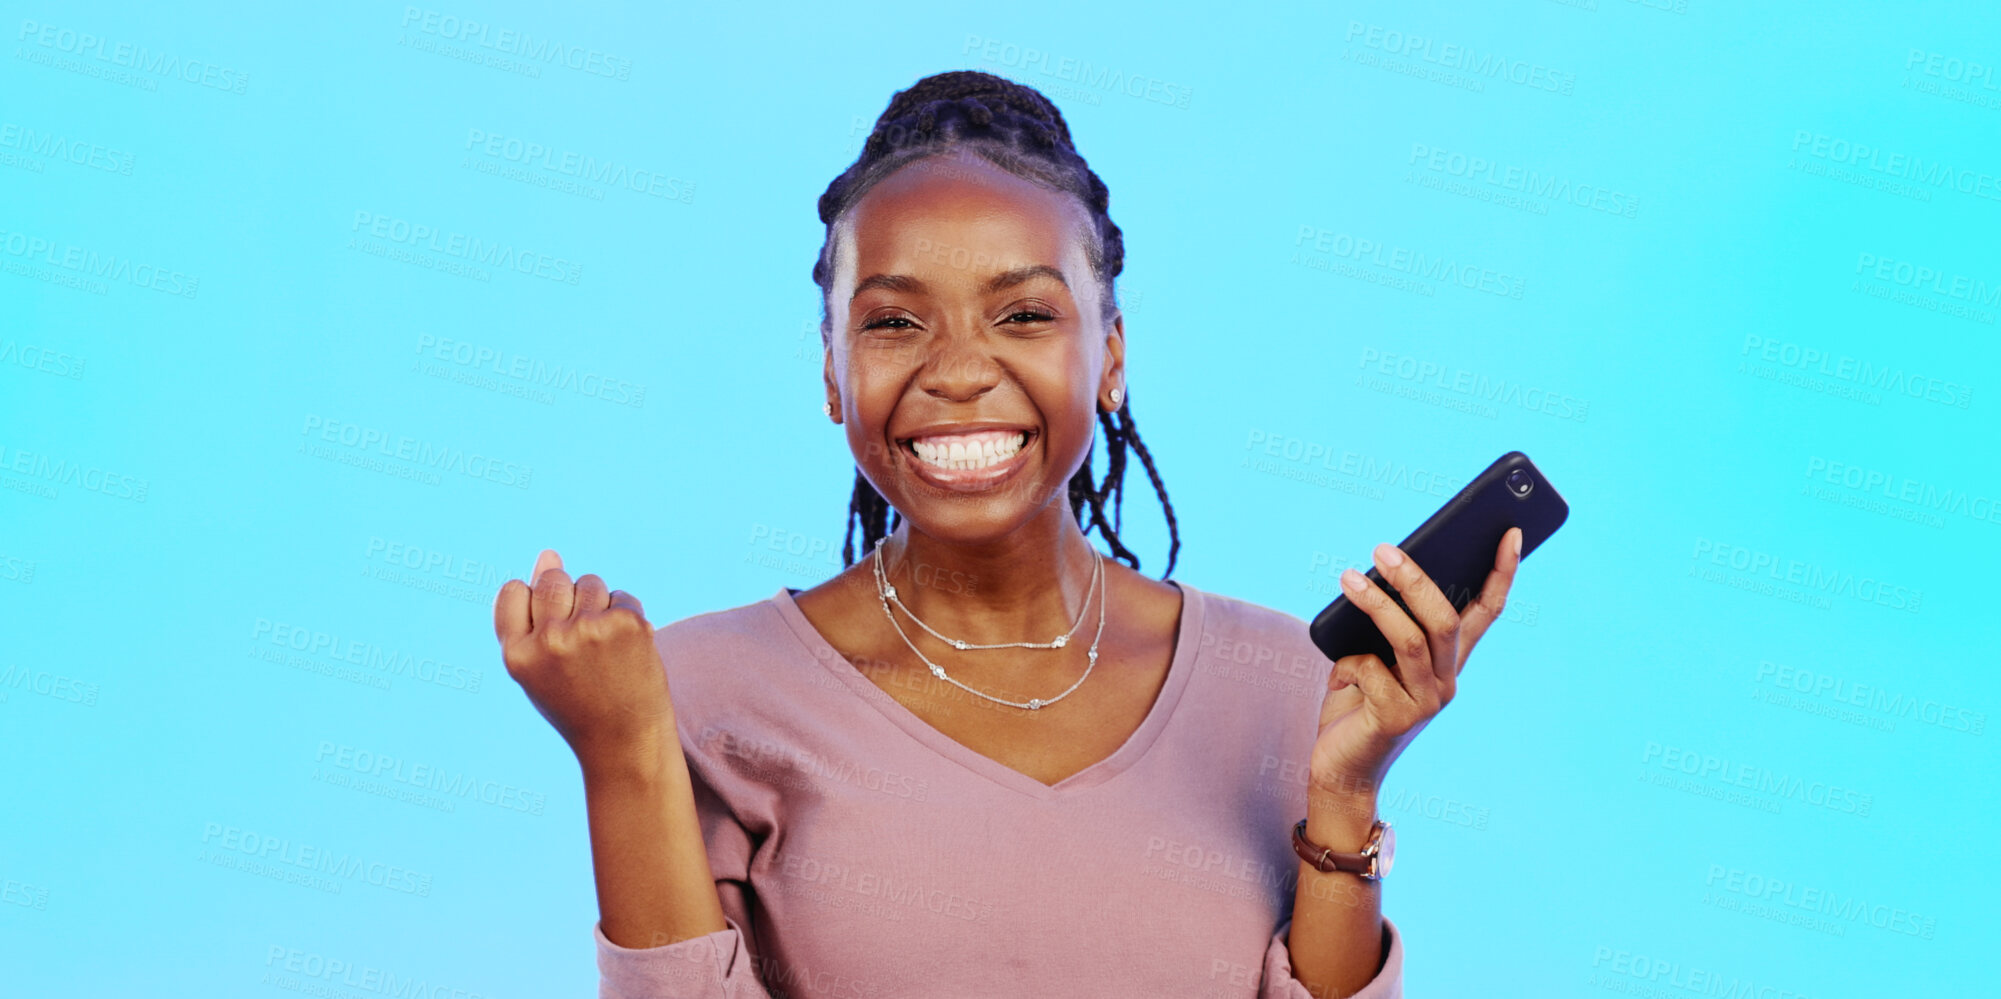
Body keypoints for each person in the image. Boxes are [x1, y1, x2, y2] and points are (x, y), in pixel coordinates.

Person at [492, 70, 1524, 999]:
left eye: (1023, 316)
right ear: (828, 372)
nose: (956, 371)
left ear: (1111, 355)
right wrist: (622, 753)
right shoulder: (696, 695)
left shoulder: (1289, 685)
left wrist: (1345, 793)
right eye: (894, 323)